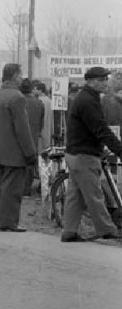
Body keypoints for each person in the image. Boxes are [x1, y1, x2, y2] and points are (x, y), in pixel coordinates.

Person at [61, 66, 122, 242]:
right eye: (102, 80)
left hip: (76, 153)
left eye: (106, 79)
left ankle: (69, 231)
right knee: (94, 195)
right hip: (83, 155)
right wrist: (119, 149)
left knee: (75, 196)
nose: (105, 82)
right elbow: (100, 129)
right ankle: (107, 230)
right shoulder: (88, 101)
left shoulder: (87, 97)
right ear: (91, 81)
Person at [0, 63, 36, 232]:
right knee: (13, 189)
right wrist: (30, 152)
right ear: (15, 76)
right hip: (13, 151)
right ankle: (9, 222)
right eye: (20, 75)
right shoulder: (17, 97)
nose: (22, 79)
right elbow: (22, 128)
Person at [20, 78, 44, 195]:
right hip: (33, 137)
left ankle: (19, 189)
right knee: (30, 164)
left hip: (17, 138)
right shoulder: (39, 103)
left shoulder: (18, 100)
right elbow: (41, 123)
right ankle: (26, 189)